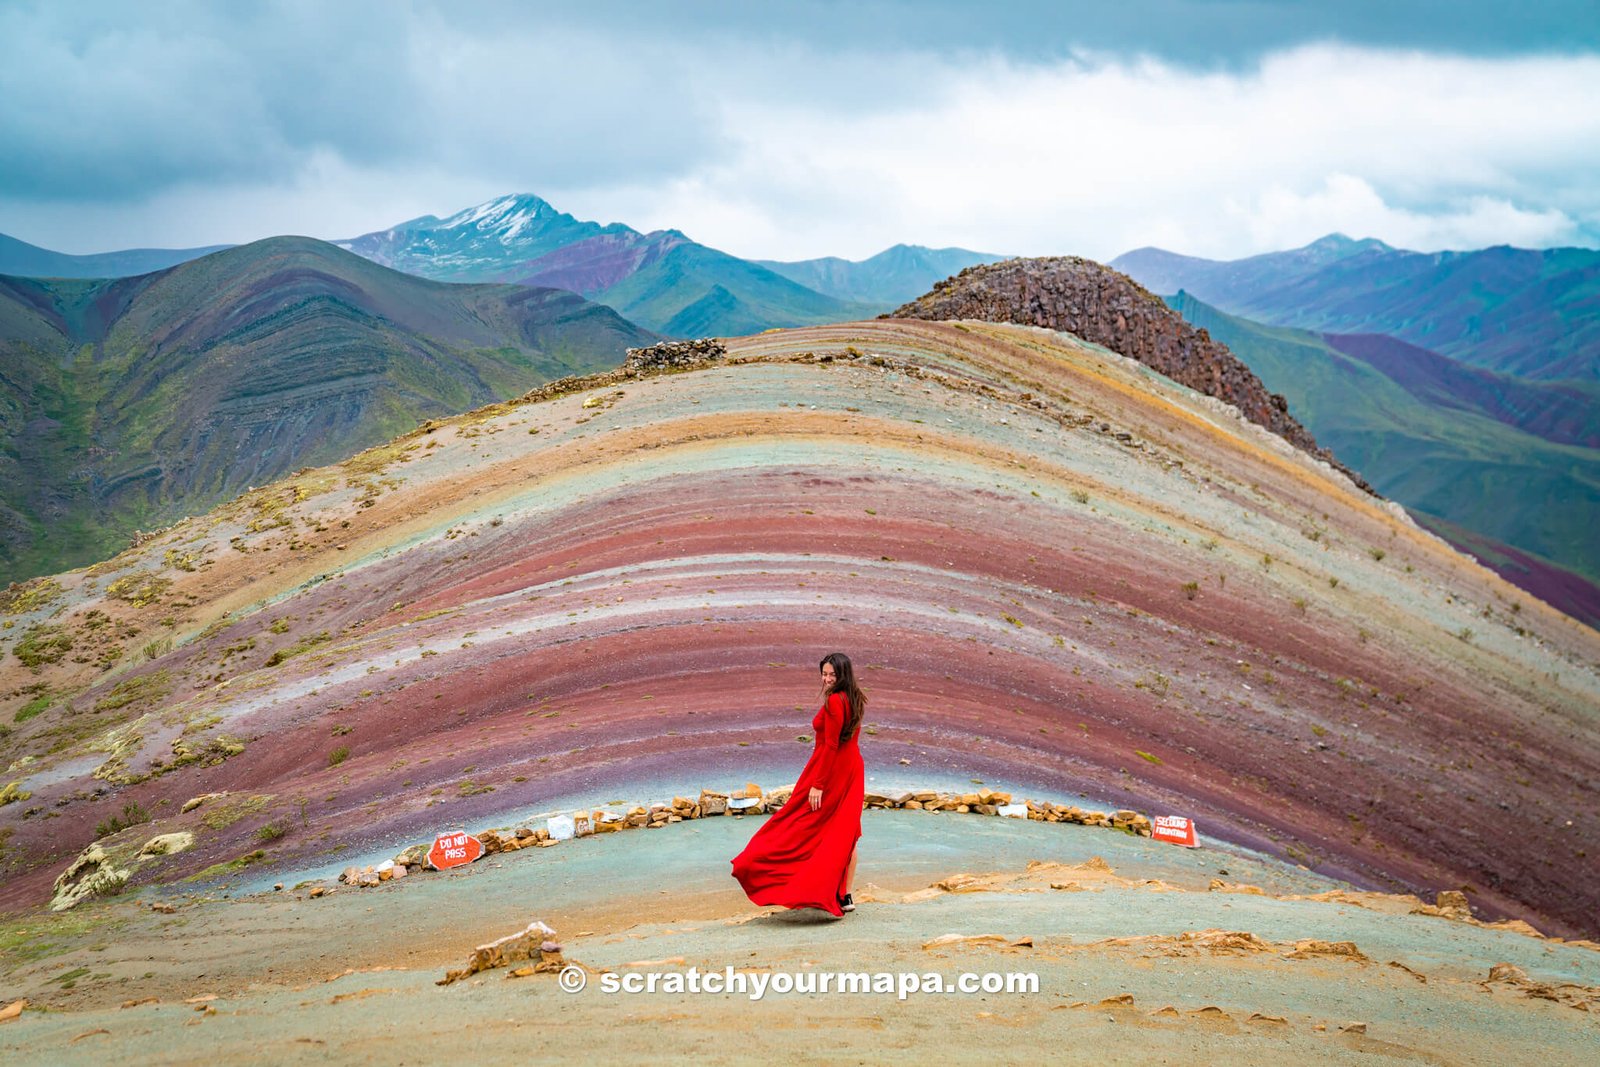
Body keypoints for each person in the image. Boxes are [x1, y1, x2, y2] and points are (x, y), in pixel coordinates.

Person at [730, 652, 867, 916]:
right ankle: (845, 895)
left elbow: (831, 745)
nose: (826, 679)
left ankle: (770, 874)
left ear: (842, 676)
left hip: (832, 771)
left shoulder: (836, 702)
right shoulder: (854, 697)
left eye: (832, 675)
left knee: (796, 824)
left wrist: (818, 784)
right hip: (851, 769)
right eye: (824, 674)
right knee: (845, 832)